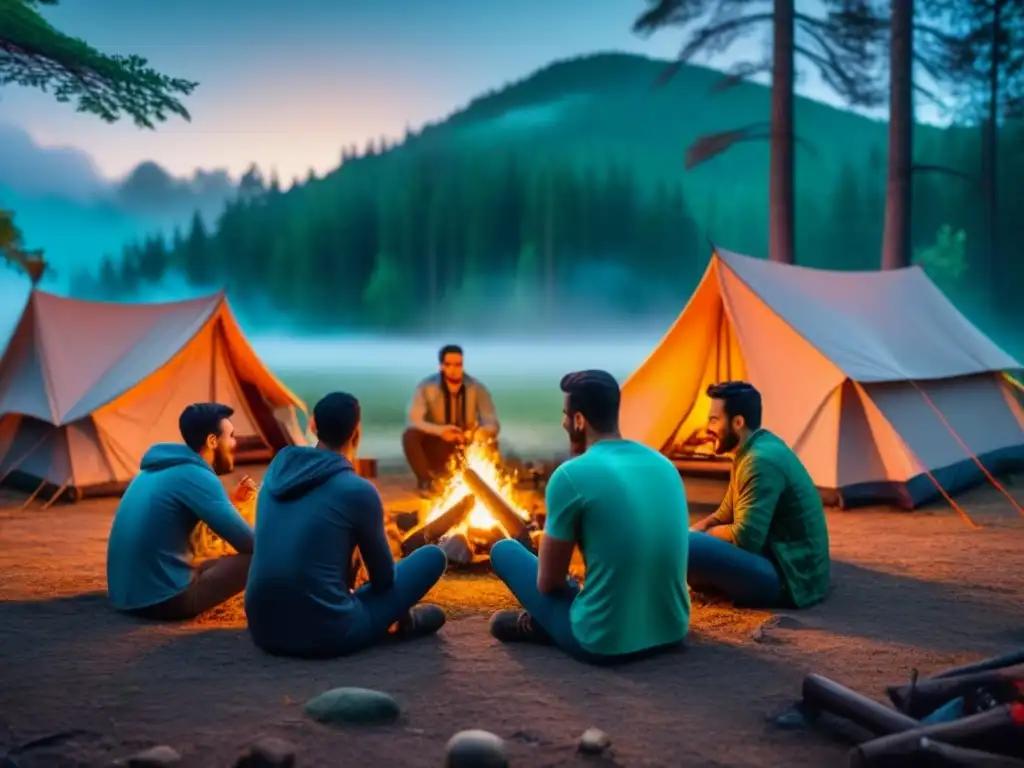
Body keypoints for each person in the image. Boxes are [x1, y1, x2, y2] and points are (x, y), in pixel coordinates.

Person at [488, 370, 690, 664]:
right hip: (672, 630)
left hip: (603, 641)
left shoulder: (570, 475)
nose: (563, 423)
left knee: (504, 551)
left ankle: (543, 626)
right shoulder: (665, 466)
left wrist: (568, 582)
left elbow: (549, 583)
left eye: (565, 415)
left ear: (579, 421)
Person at [245, 391, 448, 658]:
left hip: (262, 628)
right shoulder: (357, 489)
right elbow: (384, 579)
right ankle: (402, 621)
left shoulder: (277, 468)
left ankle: (371, 609)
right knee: (433, 557)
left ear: (313, 425)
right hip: (329, 632)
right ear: (357, 433)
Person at [106, 403, 257, 621]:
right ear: (212, 441)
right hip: (162, 601)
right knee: (262, 555)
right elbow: (249, 543)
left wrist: (233, 502)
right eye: (231, 436)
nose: (235, 443)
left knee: (214, 557)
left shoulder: (156, 469)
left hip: (125, 595)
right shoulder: (197, 476)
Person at [688, 381, 831, 608]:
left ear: (737, 422)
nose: (708, 427)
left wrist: (701, 536)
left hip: (790, 579)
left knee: (688, 547)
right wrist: (696, 530)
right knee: (686, 540)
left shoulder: (759, 461)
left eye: (714, 420)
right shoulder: (752, 448)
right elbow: (726, 513)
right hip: (782, 559)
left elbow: (747, 537)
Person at [402, 344, 500, 493]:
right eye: (448, 365)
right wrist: (440, 431)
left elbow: (491, 421)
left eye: (458, 365)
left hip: (467, 441)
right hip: (438, 441)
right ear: (441, 366)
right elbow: (414, 420)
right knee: (410, 435)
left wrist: (476, 434)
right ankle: (426, 481)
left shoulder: (476, 387)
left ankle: (485, 483)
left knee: (491, 440)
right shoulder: (426, 387)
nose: (454, 370)